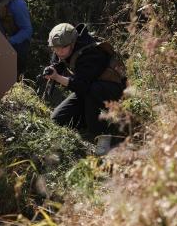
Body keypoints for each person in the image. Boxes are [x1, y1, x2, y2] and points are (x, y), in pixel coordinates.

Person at [44, 23, 126, 155]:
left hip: (110, 91)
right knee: (57, 119)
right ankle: (87, 124)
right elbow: (61, 63)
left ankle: (105, 136)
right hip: (88, 90)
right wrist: (53, 69)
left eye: (62, 48)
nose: (59, 52)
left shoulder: (90, 53)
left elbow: (81, 86)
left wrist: (57, 77)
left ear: (72, 43)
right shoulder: (66, 49)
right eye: (55, 48)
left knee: (93, 90)